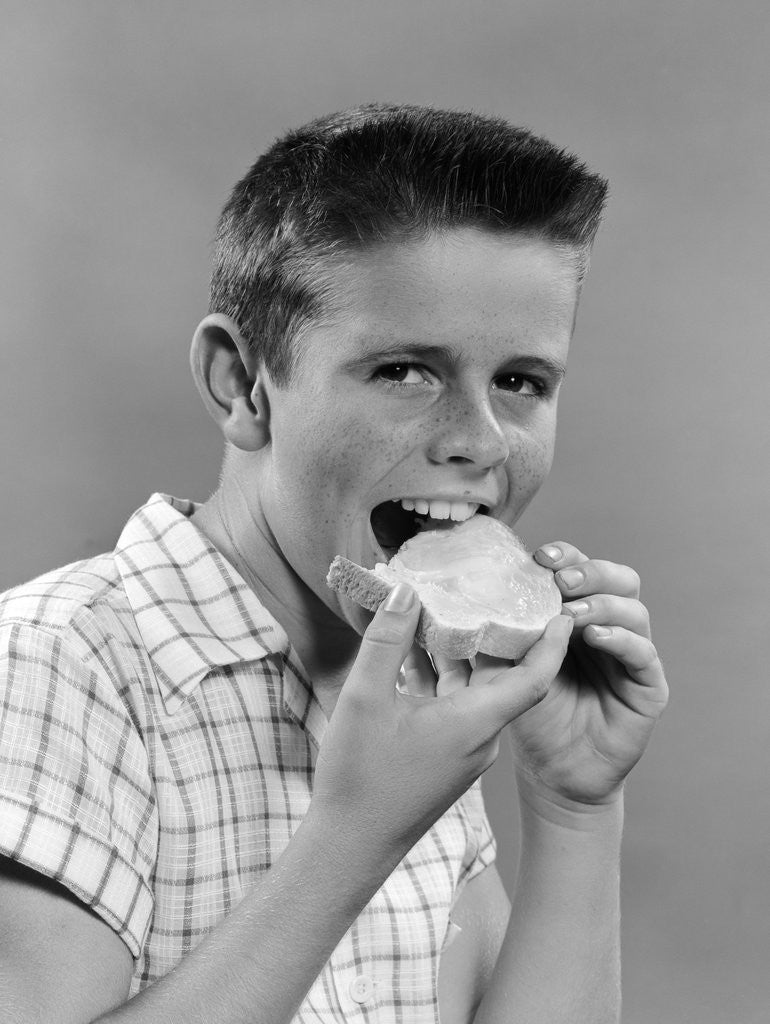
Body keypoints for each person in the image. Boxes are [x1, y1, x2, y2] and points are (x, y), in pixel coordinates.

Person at [0, 104, 668, 1023]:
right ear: (241, 384)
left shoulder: (418, 690)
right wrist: (356, 833)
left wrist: (572, 809)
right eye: (404, 371)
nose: (480, 439)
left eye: (521, 382)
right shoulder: (55, 664)